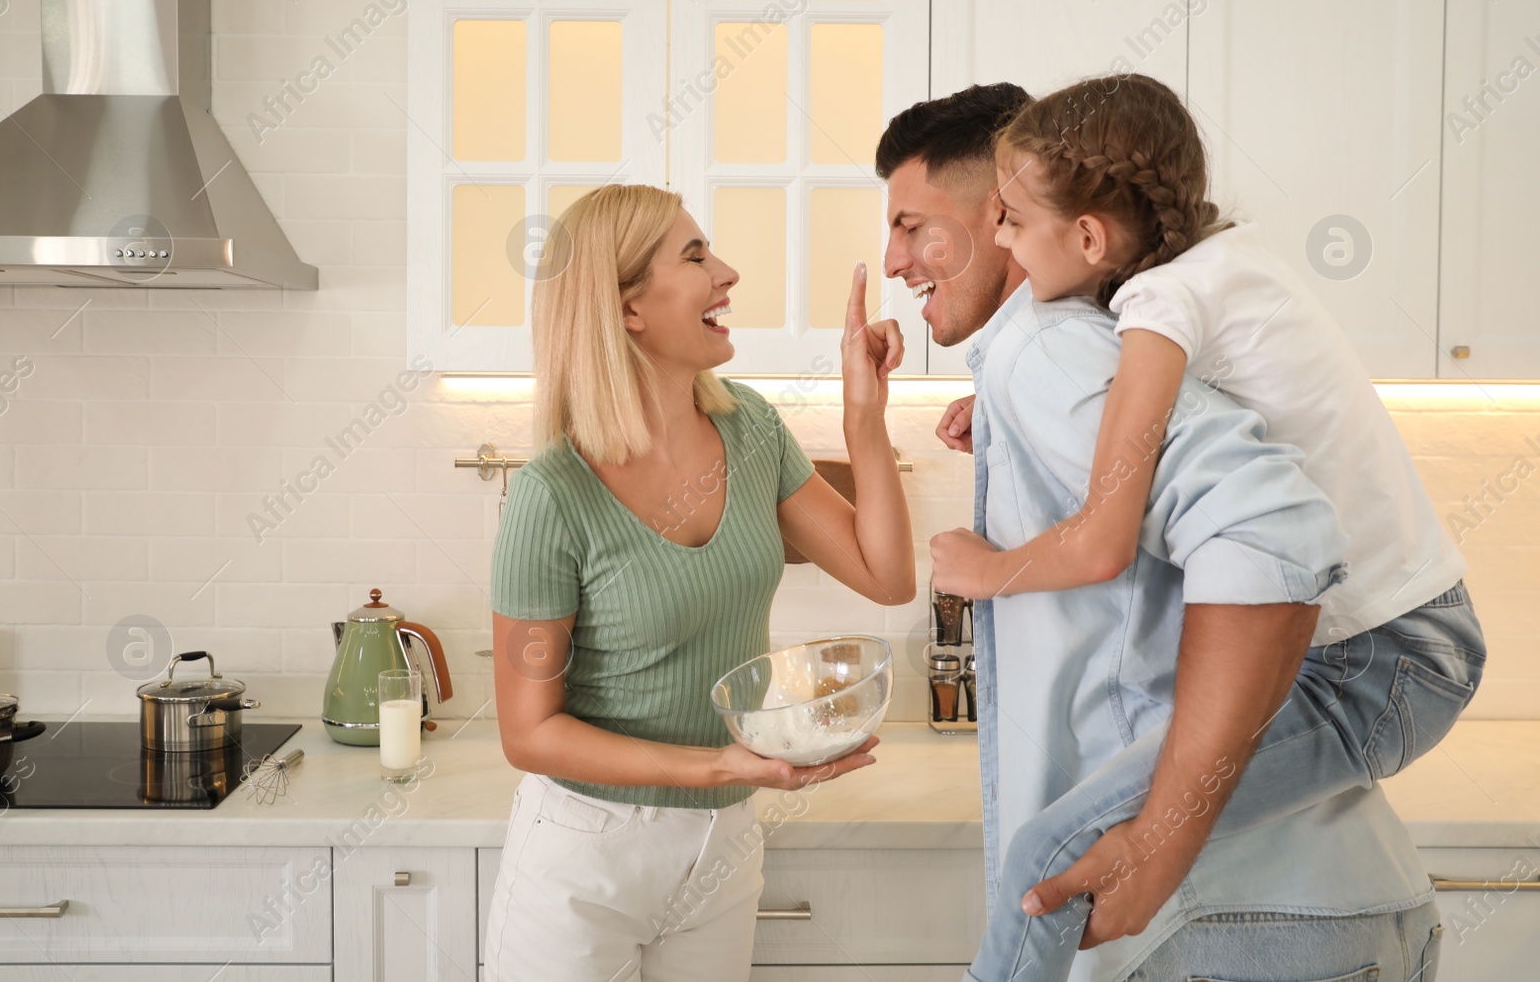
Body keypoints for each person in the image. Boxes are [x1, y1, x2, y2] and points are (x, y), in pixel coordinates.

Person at [878, 83, 1454, 981]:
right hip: (1318, 903)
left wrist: (1160, 840)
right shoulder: (1102, 332)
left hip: (1230, 923)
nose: (891, 259)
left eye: (915, 226)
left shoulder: (1056, 349)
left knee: (1043, 865)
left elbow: (1273, 529)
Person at [483, 183, 916, 982]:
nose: (729, 271)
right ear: (628, 310)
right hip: (585, 855)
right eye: (695, 257)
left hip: (720, 843)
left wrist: (864, 416)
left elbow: (886, 575)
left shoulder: (749, 428)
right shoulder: (553, 492)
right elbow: (528, 732)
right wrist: (719, 765)